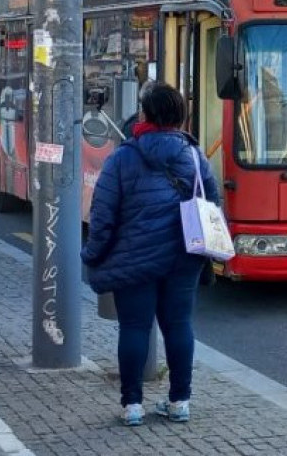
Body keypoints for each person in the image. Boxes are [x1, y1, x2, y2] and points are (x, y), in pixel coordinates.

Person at [82, 81, 219, 427]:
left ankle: (132, 406)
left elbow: (102, 214)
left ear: (146, 113)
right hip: (184, 256)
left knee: (134, 327)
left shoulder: (123, 157)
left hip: (135, 258)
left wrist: (93, 254)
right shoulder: (193, 153)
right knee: (178, 326)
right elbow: (212, 202)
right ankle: (179, 402)